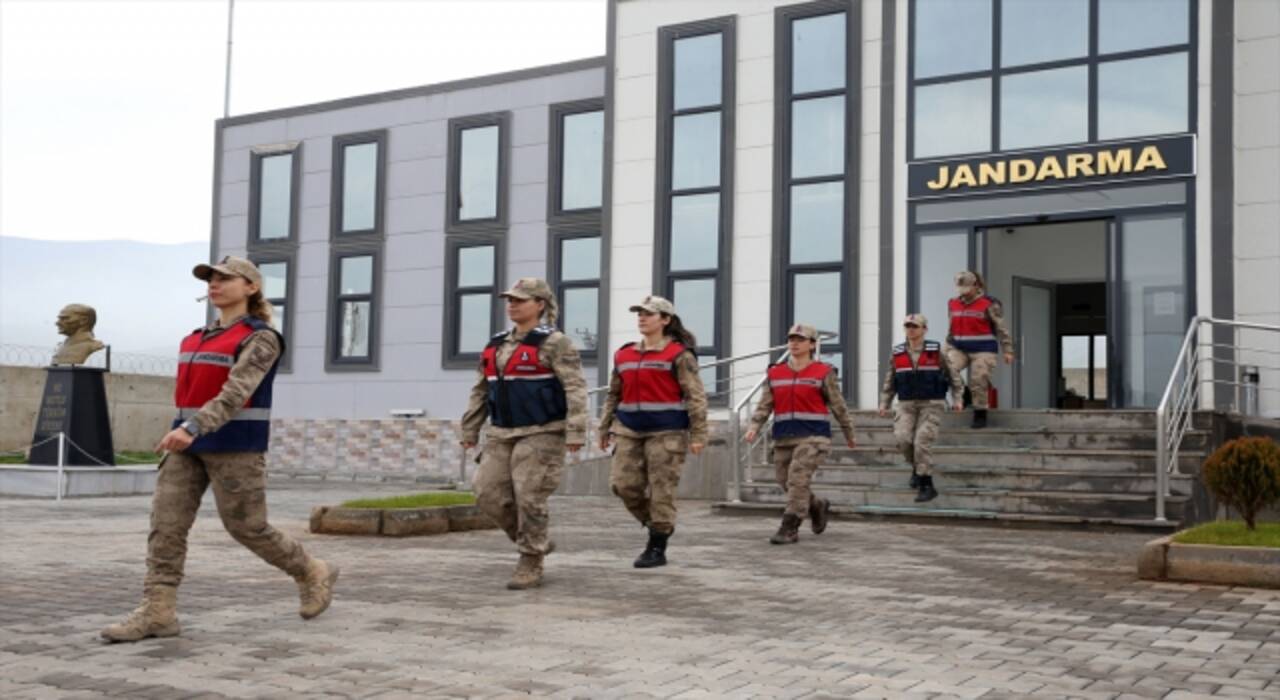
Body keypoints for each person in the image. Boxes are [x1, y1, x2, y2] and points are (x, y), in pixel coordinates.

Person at [102, 256, 338, 643]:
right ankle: (158, 612)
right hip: (185, 447)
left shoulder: (260, 338)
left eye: (226, 278)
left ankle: (311, 570)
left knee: (248, 528)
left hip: (235, 448)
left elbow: (237, 391)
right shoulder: (193, 338)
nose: (215, 283)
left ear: (251, 287)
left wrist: (193, 428)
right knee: (166, 527)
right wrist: (182, 431)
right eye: (211, 278)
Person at [460, 278, 588, 590]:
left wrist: (576, 431)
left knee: (529, 495)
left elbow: (575, 388)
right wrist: (471, 428)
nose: (512, 304)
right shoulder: (496, 344)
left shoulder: (556, 343)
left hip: (543, 431)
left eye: (521, 299)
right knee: (487, 493)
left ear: (540, 304)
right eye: (510, 300)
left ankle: (531, 559)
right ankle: (537, 539)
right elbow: (481, 389)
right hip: (502, 432)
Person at [598, 295, 708, 568]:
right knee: (622, 485)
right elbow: (613, 394)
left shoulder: (678, 354)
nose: (642, 318)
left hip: (667, 432)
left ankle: (657, 546)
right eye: (639, 313)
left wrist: (698, 434)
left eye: (649, 313)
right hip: (628, 429)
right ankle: (659, 524)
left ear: (666, 320)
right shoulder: (623, 354)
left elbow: (695, 396)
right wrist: (604, 426)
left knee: (662, 490)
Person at [744, 324, 856, 545]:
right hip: (784, 436)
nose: (794, 343)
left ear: (812, 344)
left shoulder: (823, 372)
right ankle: (816, 505)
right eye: (791, 339)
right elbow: (765, 405)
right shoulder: (775, 372)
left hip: (814, 437)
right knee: (785, 481)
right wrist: (754, 426)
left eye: (800, 339)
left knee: (797, 478)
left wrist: (848, 431)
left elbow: (838, 405)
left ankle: (789, 527)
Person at [879, 314, 964, 503]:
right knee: (903, 439)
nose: (911, 330)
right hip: (906, 404)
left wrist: (957, 398)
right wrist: (884, 402)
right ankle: (917, 469)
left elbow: (953, 375)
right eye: (908, 326)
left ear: (924, 329)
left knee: (921, 441)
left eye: (915, 326)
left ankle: (927, 485)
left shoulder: (935, 350)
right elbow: (890, 380)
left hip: (931, 404)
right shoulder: (897, 353)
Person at [946, 271, 1014, 428]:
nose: (964, 292)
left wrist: (1008, 350)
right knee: (947, 370)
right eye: (960, 288)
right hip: (959, 348)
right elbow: (951, 329)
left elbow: (1001, 329)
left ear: (976, 285)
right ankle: (966, 396)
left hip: (983, 349)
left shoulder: (989, 304)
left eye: (967, 288)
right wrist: (946, 349)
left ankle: (980, 413)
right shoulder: (952, 303)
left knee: (979, 379)